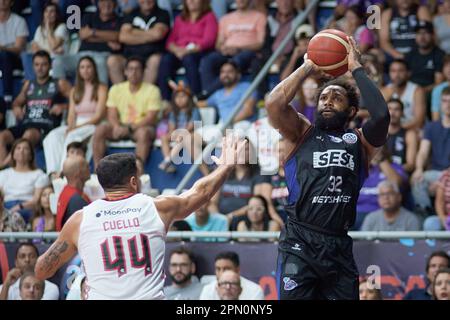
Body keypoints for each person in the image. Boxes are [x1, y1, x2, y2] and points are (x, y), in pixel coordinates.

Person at [34, 135, 247, 300]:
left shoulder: (81, 219)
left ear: (102, 184)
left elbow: (42, 269)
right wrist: (226, 165)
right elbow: (201, 193)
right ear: (134, 181)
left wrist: (80, 281)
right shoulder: (155, 207)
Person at [265, 36, 390, 299]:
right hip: (299, 240)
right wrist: (309, 65)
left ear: (352, 110)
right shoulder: (299, 132)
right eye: (323, 97)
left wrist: (355, 67)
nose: (328, 100)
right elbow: (274, 104)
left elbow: (381, 116)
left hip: (338, 244)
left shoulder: (360, 142)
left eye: (337, 97)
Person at [0, 50, 71, 168]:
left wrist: (64, 106)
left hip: (45, 125)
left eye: (44, 64)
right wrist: (17, 107)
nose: (40, 68)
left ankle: (3, 166)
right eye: (37, 65)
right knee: (2, 136)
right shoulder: (29, 85)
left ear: (50, 65)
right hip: (27, 123)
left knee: (28, 135)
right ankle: (4, 170)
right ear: (33, 66)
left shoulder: (59, 83)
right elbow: (17, 102)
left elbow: (78, 100)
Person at [92, 56, 161, 169]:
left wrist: (130, 128)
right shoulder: (116, 89)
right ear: (125, 71)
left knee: (144, 133)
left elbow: (151, 118)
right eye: (130, 69)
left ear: (143, 72)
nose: (134, 72)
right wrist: (116, 126)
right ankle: (97, 170)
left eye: (137, 69)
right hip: (121, 126)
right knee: (100, 129)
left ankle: (137, 171)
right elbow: (111, 113)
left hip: (141, 127)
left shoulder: (153, 90)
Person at [43, 56, 107, 175]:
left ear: (94, 69)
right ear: (79, 70)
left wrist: (75, 128)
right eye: (82, 67)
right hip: (77, 124)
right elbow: (71, 114)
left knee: (72, 136)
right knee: (52, 136)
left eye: (89, 67)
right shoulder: (75, 90)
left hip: (93, 124)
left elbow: (98, 116)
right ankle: (53, 173)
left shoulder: (101, 88)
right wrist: (70, 126)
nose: (86, 70)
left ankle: (64, 171)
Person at [199, 0, 267, 96]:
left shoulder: (259, 17)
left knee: (237, 60)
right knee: (207, 60)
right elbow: (218, 44)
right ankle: (209, 94)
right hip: (227, 52)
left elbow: (260, 43)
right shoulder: (225, 19)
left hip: (248, 53)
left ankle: (207, 93)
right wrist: (223, 49)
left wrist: (238, 48)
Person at [158, 0, 218, 100]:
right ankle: (166, 99)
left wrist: (187, 51)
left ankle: (196, 96)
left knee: (188, 59)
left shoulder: (209, 17)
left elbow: (209, 40)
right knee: (166, 60)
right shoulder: (180, 19)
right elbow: (170, 41)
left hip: (199, 52)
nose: (191, 1)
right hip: (180, 51)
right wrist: (177, 50)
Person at [411, 87, 450, 216]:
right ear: (440, 103)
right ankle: (427, 217)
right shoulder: (431, 127)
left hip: (447, 173)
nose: (447, 104)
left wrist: (445, 176)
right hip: (435, 173)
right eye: (444, 101)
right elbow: (422, 152)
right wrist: (419, 168)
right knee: (417, 180)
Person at [158, 81, 208, 175]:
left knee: (184, 135)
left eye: (183, 96)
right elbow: (172, 128)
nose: (180, 99)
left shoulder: (194, 110)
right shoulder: (173, 112)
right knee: (164, 137)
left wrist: (180, 134)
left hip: (192, 134)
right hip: (179, 134)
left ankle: (168, 160)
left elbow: (191, 126)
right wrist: (175, 135)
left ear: (189, 98)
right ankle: (167, 159)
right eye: (177, 97)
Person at [118, 0, 170, 84]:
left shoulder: (162, 13)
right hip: (130, 55)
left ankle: (144, 95)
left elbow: (158, 34)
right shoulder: (131, 13)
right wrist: (150, 35)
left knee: (155, 60)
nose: (146, 1)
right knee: (113, 61)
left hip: (152, 54)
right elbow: (123, 37)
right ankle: (123, 94)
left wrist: (133, 32)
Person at [0, 139, 49, 223]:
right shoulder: (3, 174)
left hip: (27, 207)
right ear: (13, 155)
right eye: (18, 148)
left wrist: (19, 207)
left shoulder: (39, 174)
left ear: (31, 155)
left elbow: (36, 200)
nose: (21, 150)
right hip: (5, 207)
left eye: (25, 148)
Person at [381, 59, 426, 131]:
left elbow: (419, 121)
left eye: (400, 71)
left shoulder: (417, 91)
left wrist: (397, 130)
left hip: (413, 130)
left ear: (408, 73)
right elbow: (380, 118)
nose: (397, 75)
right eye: (393, 71)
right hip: (390, 131)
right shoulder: (385, 91)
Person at [199, 251, 264, 300]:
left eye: (226, 269)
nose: (221, 273)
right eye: (218, 269)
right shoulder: (208, 289)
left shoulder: (255, 290)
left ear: (237, 270)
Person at [30, 2, 68, 80]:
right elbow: (34, 48)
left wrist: (48, 28)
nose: (48, 14)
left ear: (56, 14)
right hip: (44, 59)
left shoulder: (62, 27)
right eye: (46, 11)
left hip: (56, 60)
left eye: (52, 11)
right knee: (27, 56)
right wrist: (51, 51)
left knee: (44, 61)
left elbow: (54, 45)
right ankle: (32, 83)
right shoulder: (40, 29)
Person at [404, 20, 445, 93]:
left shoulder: (440, 55)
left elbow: (438, 83)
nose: (422, 37)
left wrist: (420, 92)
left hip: (431, 92)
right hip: (411, 92)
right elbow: (405, 78)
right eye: (419, 33)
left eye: (426, 33)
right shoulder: (409, 55)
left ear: (432, 35)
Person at [0, 0, 29, 103]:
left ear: (11, 3)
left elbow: (18, 48)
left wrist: (2, 48)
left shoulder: (19, 21)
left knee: (4, 56)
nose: (2, 1)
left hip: (16, 59)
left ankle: (7, 97)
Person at [56, 156, 91, 231]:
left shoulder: (66, 192)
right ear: (78, 173)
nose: (89, 168)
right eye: (86, 166)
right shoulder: (76, 200)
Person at [385, 98, 418, 174]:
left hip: (400, 173)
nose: (392, 113)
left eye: (396, 109)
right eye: (389, 109)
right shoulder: (377, 134)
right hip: (380, 173)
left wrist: (392, 171)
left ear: (402, 113)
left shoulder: (409, 134)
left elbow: (410, 165)